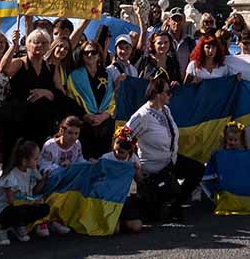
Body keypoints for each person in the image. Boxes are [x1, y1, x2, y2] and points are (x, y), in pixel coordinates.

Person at [0, 28, 63, 169]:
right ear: (28, 44)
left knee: (37, 162)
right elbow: (4, 68)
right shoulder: (20, 62)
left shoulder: (51, 67)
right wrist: (13, 46)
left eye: (44, 43)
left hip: (42, 122)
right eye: (35, 42)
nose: (39, 46)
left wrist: (46, 92)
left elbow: (60, 93)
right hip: (19, 122)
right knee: (15, 161)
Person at [126, 76, 181, 221]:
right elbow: (124, 138)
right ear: (157, 94)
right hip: (152, 166)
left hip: (170, 161)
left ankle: (173, 204)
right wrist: (135, 164)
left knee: (196, 169)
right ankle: (160, 203)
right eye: (167, 92)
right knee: (153, 215)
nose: (170, 95)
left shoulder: (166, 110)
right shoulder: (142, 115)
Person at [0, 139, 50, 246]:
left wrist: (43, 180)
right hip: (6, 209)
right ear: (24, 161)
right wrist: (32, 201)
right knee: (18, 211)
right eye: (35, 158)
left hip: (23, 204)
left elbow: (34, 191)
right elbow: (12, 201)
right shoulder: (12, 176)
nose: (38, 161)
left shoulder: (31, 171)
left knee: (44, 208)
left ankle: (19, 224)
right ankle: (1, 228)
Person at [66, 41, 115, 159]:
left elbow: (112, 98)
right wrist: (85, 116)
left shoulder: (107, 74)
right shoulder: (74, 76)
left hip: (105, 124)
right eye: (86, 52)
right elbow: (71, 100)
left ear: (99, 55)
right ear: (81, 55)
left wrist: (105, 115)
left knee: (103, 159)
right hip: (85, 125)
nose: (90, 55)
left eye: (93, 52)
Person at [99, 127, 144, 233]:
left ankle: (124, 221)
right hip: (109, 198)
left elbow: (140, 180)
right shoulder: (106, 158)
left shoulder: (132, 158)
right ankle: (117, 221)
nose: (119, 154)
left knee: (136, 227)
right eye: (117, 150)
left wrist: (137, 170)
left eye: (122, 152)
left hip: (126, 197)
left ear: (130, 150)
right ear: (114, 143)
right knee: (114, 230)